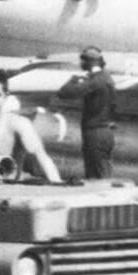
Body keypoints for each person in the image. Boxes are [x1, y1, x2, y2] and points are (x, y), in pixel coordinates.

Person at [57, 46, 116, 179]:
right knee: (102, 171)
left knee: (97, 175)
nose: (81, 64)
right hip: (105, 131)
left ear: (89, 62)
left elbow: (63, 93)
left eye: (83, 61)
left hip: (95, 133)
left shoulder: (96, 81)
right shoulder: (106, 78)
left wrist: (73, 79)